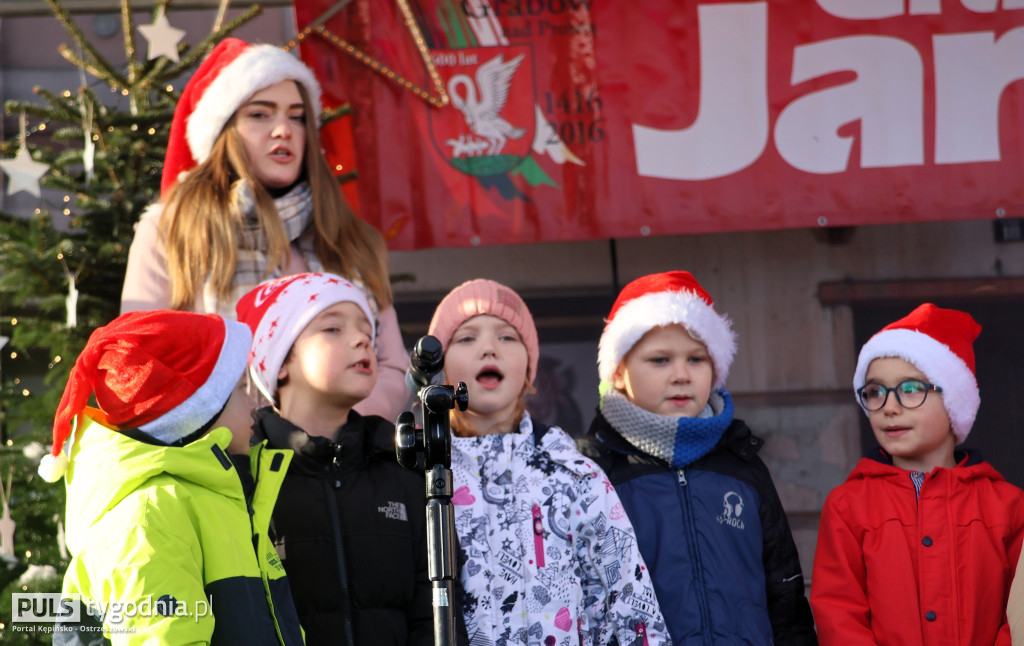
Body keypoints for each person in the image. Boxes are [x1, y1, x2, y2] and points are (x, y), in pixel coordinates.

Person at [120, 37, 407, 422]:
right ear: (224, 129)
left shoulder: (350, 237)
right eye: (260, 115)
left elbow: (393, 367)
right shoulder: (169, 230)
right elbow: (141, 363)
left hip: (343, 465)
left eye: (297, 116)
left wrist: (332, 430)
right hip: (225, 462)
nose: (283, 130)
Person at [576, 271, 817, 645]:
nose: (681, 375)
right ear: (619, 372)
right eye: (659, 360)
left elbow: (785, 600)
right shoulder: (591, 471)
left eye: (696, 359)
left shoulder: (743, 464)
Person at [425, 278, 669, 646]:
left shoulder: (574, 474)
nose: (489, 348)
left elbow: (624, 593)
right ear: (439, 367)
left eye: (508, 337)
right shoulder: (424, 476)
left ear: (529, 368)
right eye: (467, 338)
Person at [38, 310, 302, 644]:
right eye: (238, 389)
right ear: (195, 415)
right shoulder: (149, 520)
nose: (253, 403)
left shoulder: (219, 497)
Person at [235, 272, 436, 646]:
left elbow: (434, 613)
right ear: (279, 362)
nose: (363, 339)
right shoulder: (245, 478)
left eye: (366, 330)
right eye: (333, 329)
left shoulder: (402, 468)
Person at [811, 303, 1024, 646]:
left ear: (955, 400)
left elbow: (1019, 616)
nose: (889, 406)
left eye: (910, 389)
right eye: (875, 392)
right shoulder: (847, 506)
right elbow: (838, 612)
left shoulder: (1009, 506)